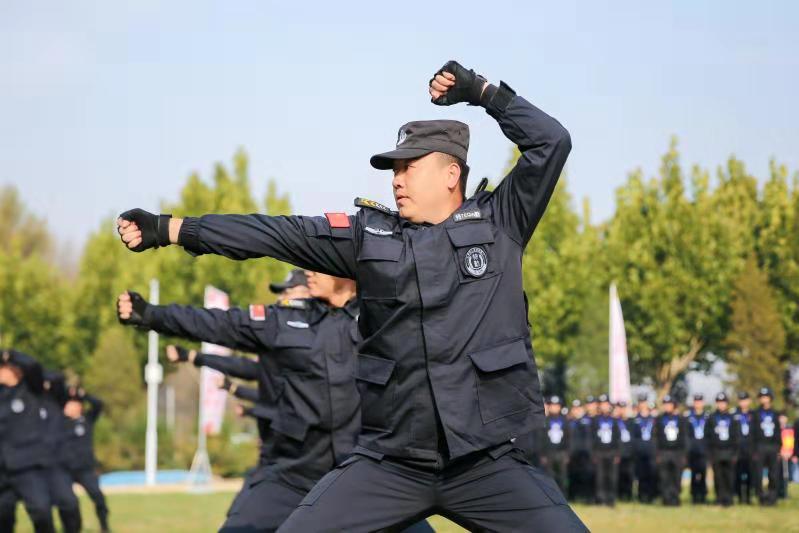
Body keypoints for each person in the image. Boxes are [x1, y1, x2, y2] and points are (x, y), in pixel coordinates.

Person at [117, 60, 586, 531]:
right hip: (391, 464)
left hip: (485, 462)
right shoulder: (370, 237)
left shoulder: (501, 222)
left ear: (451, 174)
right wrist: (171, 229)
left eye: (408, 166)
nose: (396, 178)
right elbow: (275, 234)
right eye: (394, 169)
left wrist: (482, 92)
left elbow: (551, 142)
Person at [0, 350, 55, 533]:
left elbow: (33, 365)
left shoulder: (31, 388)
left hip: (28, 466)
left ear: (15, 370)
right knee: (3, 517)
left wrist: (9, 354)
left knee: (41, 511)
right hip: (3, 469)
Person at [61, 387, 110, 532]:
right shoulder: (59, 422)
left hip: (85, 469)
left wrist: (83, 394)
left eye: (72, 403)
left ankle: (104, 526)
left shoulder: (87, 420)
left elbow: (98, 404)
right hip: (65, 470)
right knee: (67, 502)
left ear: (79, 406)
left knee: (99, 498)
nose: (68, 406)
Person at [41, 371, 82, 533]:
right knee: (41, 508)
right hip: (30, 463)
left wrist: (42, 377)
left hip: (56, 464)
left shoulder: (55, 401)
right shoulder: (26, 398)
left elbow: (58, 379)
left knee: (69, 503)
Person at [655, 395, 688, 506]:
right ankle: (666, 499)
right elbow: (656, 437)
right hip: (664, 452)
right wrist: (657, 453)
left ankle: (675, 498)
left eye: (669, 404)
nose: (667, 406)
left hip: (677, 452)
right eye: (665, 404)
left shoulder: (680, 419)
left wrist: (683, 454)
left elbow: (684, 437)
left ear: (674, 406)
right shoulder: (659, 419)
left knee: (676, 477)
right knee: (664, 477)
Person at [752, 387, 782, 506]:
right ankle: (761, 497)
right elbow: (753, 433)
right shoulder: (756, 414)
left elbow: (778, 432)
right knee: (758, 474)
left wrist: (779, 448)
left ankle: (772, 497)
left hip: (773, 447)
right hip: (760, 446)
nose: (764, 399)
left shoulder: (775, 413)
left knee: (773, 474)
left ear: (770, 398)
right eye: (762, 397)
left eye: (766, 397)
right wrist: (754, 450)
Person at [707, 392, 738, 507]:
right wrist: (710, 453)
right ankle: (719, 498)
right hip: (716, 451)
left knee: (729, 476)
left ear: (727, 403)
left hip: (729, 451)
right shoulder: (711, 418)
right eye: (719, 402)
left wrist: (735, 453)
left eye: (723, 402)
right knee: (718, 477)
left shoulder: (732, 418)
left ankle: (729, 498)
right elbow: (708, 436)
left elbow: (735, 437)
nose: (721, 405)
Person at [591, 394, 620, 506]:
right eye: (602, 404)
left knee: (612, 477)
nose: (604, 406)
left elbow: (617, 438)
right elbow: (592, 438)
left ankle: (611, 499)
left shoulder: (614, 420)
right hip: (599, 452)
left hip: (611, 452)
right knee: (600, 477)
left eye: (606, 404)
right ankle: (601, 499)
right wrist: (594, 453)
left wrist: (617, 453)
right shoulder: (595, 420)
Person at [540, 396, 570, 492]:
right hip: (549, 452)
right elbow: (542, 438)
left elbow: (568, 438)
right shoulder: (545, 420)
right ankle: (552, 495)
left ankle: (564, 494)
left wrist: (567, 453)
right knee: (549, 475)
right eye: (552, 406)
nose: (555, 408)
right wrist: (543, 454)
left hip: (561, 452)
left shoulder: (564, 420)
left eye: (557, 406)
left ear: (560, 407)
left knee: (562, 475)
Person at [631, 394, 657, 503]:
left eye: (644, 402)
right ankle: (641, 496)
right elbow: (633, 436)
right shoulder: (635, 419)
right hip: (639, 452)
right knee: (641, 475)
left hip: (651, 451)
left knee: (651, 474)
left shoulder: (653, 419)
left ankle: (651, 496)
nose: (642, 404)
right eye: (640, 402)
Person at [567, 400, 592, 503]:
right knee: (573, 476)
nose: (576, 411)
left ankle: (585, 497)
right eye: (574, 408)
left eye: (578, 408)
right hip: (572, 454)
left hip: (584, 453)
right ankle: (573, 496)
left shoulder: (586, 421)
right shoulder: (569, 421)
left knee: (585, 476)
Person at [685, 393, 709, 504]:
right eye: (696, 401)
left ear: (703, 403)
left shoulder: (707, 417)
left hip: (704, 451)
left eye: (700, 401)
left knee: (703, 474)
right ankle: (694, 496)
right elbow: (687, 435)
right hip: (693, 451)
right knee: (694, 474)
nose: (698, 404)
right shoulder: (688, 417)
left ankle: (703, 495)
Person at [733, 391, 754, 504]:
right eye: (741, 400)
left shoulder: (754, 414)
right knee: (738, 474)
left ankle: (749, 496)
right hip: (738, 450)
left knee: (750, 473)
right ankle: (739, 496)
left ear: (749, 401)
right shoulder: (734, 415)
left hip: (750, 449)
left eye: (745, 400)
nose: (743, 402)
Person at [614, 401, 634, 502]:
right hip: (618, 452)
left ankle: (628, 495)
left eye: (623, 408)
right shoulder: (614, 421)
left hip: (629, 452)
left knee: (629, 474)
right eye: (619, 408)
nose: (621, 410)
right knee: (617, 474)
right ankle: (618, 494)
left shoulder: (631, 421)